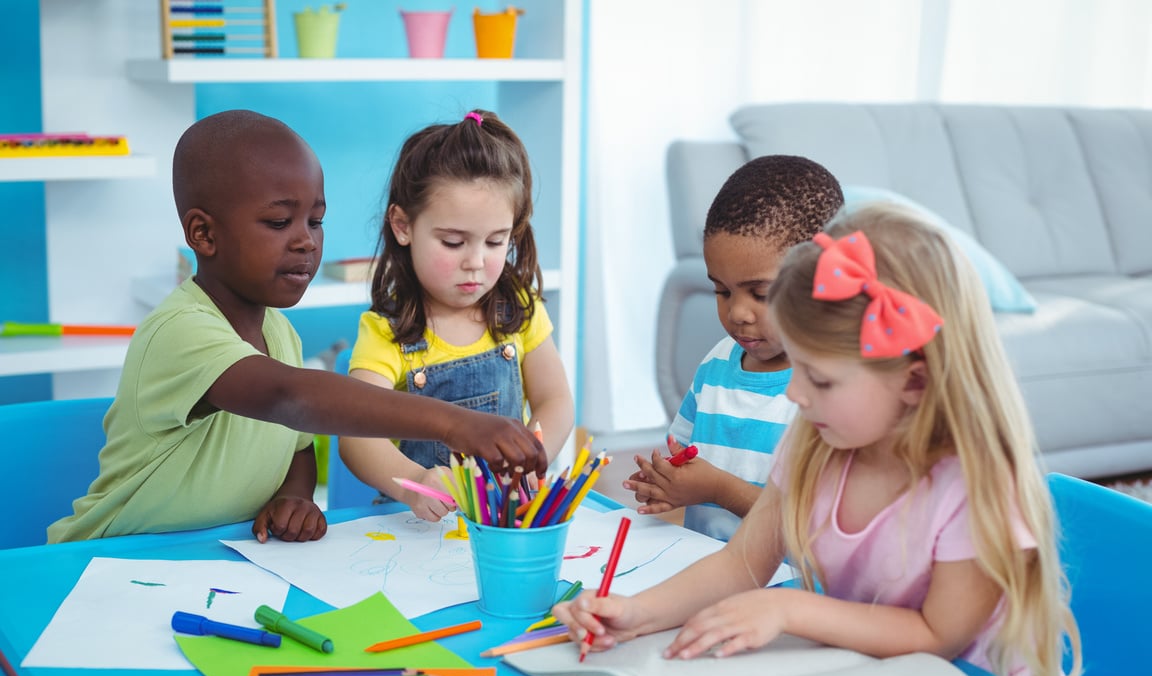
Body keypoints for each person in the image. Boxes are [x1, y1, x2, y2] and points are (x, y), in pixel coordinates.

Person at [556, 202, 1081, 676]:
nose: (794, 395)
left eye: (820, 378)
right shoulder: (817, 442)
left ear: (914, 380)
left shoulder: (973, 484)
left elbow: (937, 637)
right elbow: (741, 565)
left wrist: (788, 611)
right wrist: (638, 611)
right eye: (796, 367)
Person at [47, 109, 547, 545]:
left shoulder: (280, 333)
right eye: (279, 223)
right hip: (107, 560)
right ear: (204, 234)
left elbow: (298, 444)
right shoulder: (180, 330)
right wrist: (457, 423)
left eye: (316, 221)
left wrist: (294, 497)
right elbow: (289, 398)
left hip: (219, 557)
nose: (306, 242)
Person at [339, 109, 574, 521]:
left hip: (501, 521)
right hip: (419, 529)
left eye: (496, 241)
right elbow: (356, 435)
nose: (476, 262)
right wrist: (415, 483)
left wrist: (534, 456)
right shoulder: (388, 332)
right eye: (453, 242)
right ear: (402, 225)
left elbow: (556, 401)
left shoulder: (518, 310)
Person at [625, 155, 843, 541]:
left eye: (760, 294)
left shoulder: (831, 390)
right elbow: (686, 455)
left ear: (823, 280)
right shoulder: (716, 364)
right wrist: (667, 481)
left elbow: (814, 526)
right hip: (705, 571)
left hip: (787, 591)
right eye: (721, 290)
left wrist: (717, 489)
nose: (738, 313)